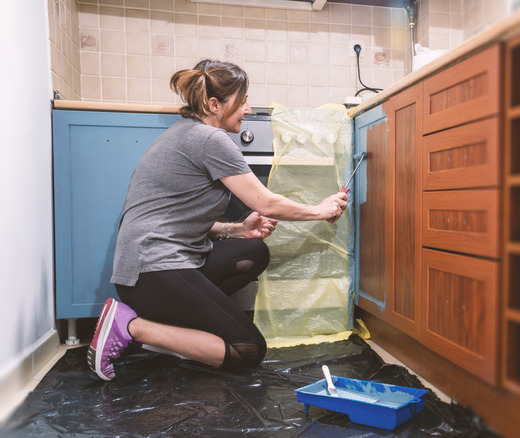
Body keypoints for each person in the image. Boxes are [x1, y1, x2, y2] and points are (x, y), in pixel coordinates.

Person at [87, 60, 348, 381]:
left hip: (148, 269)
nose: (248, 110)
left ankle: (169, 327)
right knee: (248, 349)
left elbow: (174, 215)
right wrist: (321, 210)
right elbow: (264, 202)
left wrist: (236, 229)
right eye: (241, 101)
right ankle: (132, 326)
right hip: (152, 273)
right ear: (214, 104)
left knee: (253, 252)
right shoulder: (210, 139)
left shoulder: (188, 135)